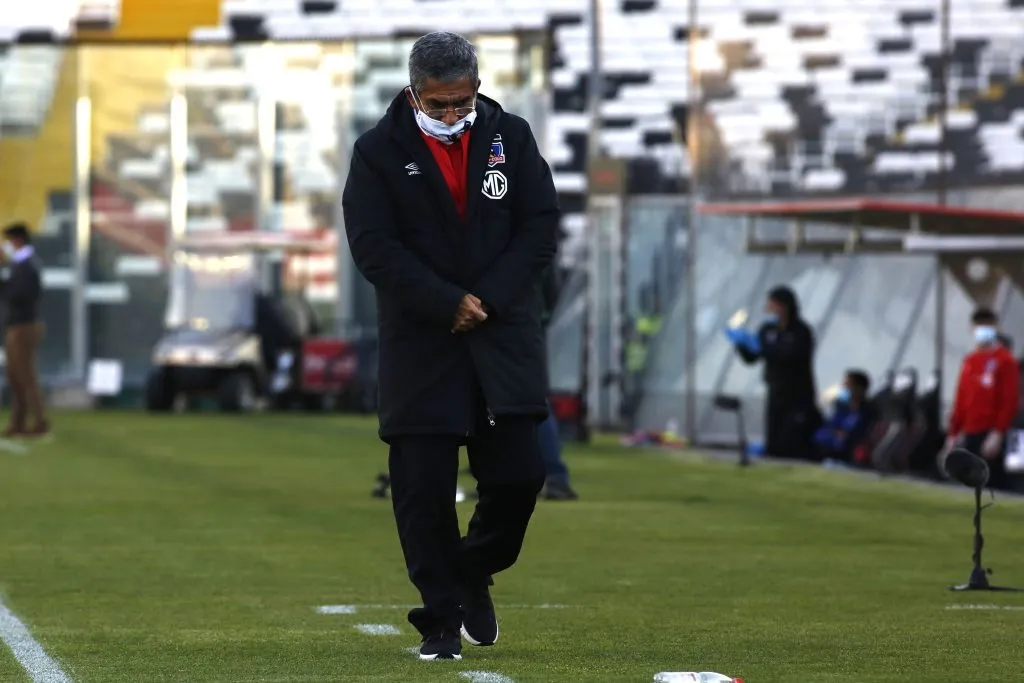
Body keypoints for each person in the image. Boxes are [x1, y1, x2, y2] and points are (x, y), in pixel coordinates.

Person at [341, 32, 558, 661]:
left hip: (501, 336)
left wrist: (486, 298)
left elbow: (539, 227)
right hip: (423, 343)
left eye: (461, 102)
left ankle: (473, 569)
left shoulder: (509, 137)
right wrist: (444, 302)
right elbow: (374, 246)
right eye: (438, 105)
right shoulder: (377, 151)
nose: (451, 116)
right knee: (422, 490)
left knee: (520, 477)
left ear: (477, 87)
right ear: (413, 93)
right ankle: (439, 617)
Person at [725, 285, 821, 459]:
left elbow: (791, 355)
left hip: (798, 394)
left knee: (793, 439)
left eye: (772, 304)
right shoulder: (767, 329)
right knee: (774, 438)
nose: (768, 308)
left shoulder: (801, 331)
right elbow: (753, 358)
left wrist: (765, 347)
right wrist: (740, 344)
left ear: (783, 306)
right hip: (775, 391)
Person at [944, 308, 1020, 490]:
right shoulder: (970, 361)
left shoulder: (1005, 361)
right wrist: (954, 432)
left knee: (991, 484)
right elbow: (961, 398)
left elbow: (1009, 399)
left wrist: (998, 432)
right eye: (979, 326)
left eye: (987, 326)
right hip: (970, 430)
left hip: (990, 432)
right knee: (967, 483)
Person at [0, 223, 48, 438]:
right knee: (15, 375)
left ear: (17, 240)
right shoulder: (19, 265)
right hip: (16, 324)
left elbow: (19, 295)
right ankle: (18, 422)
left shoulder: (27, 265)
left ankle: (40, 421)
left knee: (26, 375)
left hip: (25, 326)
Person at [538, 266, 578, 501]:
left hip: (511, 324)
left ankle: (554, 476)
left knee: (529, 402)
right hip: (527, 322)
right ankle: (554, 477)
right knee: (532, 400)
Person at [813, 370, 874, 464]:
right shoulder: (841, 407)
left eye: (848, 385)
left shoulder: (865, 412)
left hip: (844, 455)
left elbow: (849, 436)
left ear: (860, 388)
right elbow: (826, 429)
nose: (845, 388)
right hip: (824, 448)